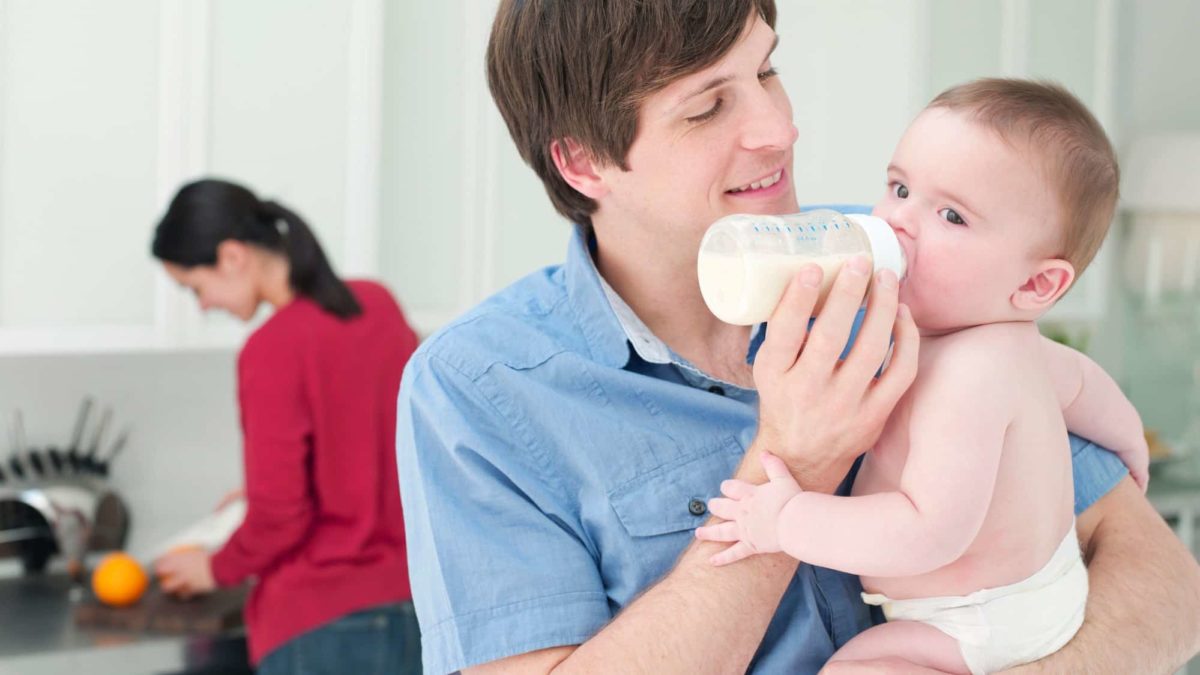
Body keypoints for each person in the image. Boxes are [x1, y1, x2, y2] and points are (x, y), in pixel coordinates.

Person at [395, 2, 1200, 673]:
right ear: (583, 163)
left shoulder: (911, 269)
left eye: (767, 71)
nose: (779, 128)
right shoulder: (479, 386)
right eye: (709, 106)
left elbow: (1168, 587)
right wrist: (794, 459)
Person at [695, 79, 1148, 674]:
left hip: (977, 622)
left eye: (952, 216)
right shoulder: (1014, 349)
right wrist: (1130, 443)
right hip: (1022, 593)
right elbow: (1087, 388)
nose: (900, 221)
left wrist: (786, 521)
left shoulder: (971, 377)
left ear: (1036, 285)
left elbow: (925, 531)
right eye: (900, 187)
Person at [150, 179, 422, 674]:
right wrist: (262, 491)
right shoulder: (378, 304)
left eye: (195, 288)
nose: (203, 305)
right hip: (415, 613)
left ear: (232, 257)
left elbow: (281, 516)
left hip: (321, 626)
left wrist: (215, 567)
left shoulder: (271, 348)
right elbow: (386, 447)